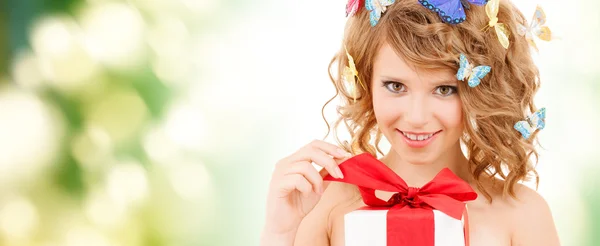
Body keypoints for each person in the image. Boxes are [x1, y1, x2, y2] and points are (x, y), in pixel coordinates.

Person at [260, 0, 560, 245]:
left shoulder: (523, 215)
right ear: (366, 83)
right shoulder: (323, 204)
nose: (417, 117)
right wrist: (280, 233)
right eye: (395, 86)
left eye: (444, 89)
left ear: (480, 92)